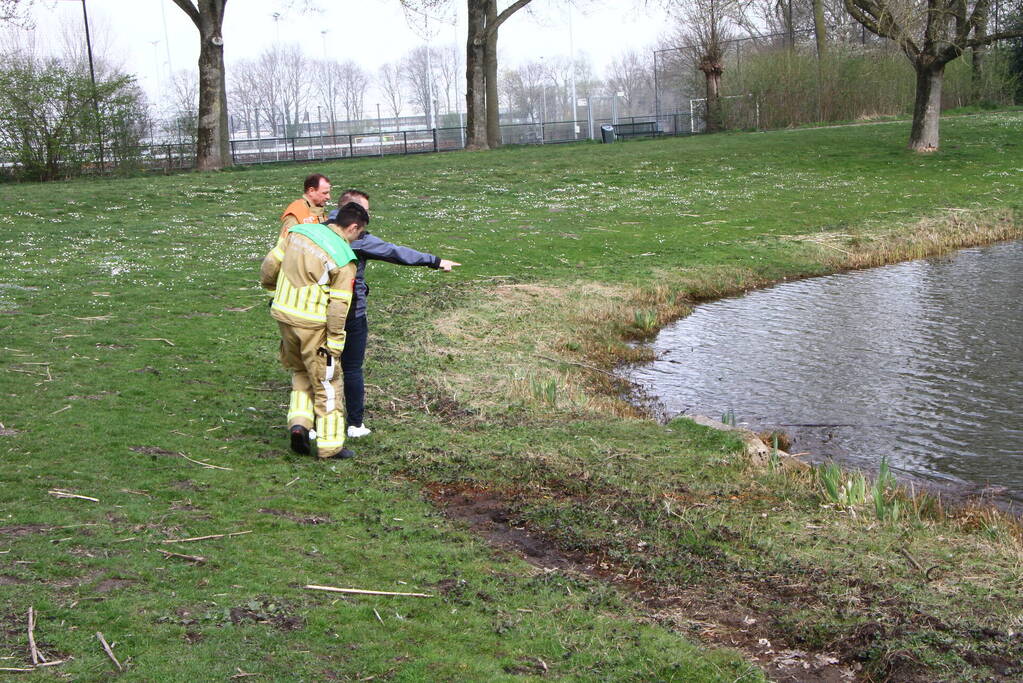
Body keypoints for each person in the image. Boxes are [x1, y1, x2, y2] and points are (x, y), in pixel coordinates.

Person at [331, 189, 461, 438]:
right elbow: (393, 252)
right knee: (352, 368)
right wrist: (434, 261)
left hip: (318, 311)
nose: (369, 217)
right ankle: (355, 424)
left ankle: (315, 425)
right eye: (366, 211)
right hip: (351, 312)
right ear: (354, 214)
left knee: (322, 369)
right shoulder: (358, 238)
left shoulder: (319, 231)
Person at [259, 202, 369, 460]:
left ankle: (299, 424)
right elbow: (339, 306)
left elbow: (271, 264)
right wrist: (335, 341)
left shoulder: (300, 232)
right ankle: (330, 446)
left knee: (300, 371)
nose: (358, 238)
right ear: (353, 227)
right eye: (360, 233)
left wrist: (272, 290)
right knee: (328, 383)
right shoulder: (343, 258)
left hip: (285, 316)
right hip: (313, 325)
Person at [278, 173, 332, 240]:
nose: (328, 197)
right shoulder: (295, 213)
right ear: (311, 191)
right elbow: (286, 242)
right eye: (324, 193)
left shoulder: (317, 209)